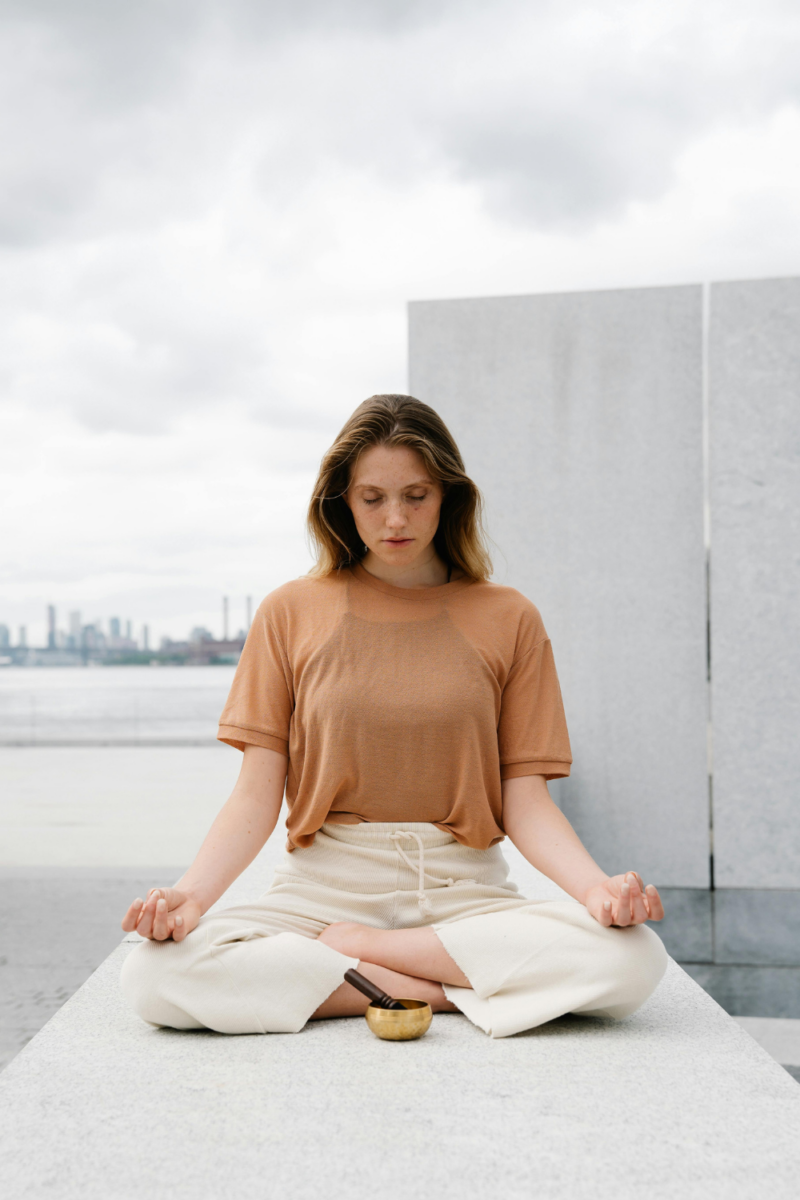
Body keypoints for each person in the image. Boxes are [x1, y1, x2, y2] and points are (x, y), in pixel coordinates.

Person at [120, 394, 667, 1039]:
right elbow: (255, 795)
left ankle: (360, 962)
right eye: (372, 498)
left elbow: (526, 799)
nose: (395, 518)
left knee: (633, 959)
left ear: (448, 497)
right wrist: (193, 897)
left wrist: (597, 890)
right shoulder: (289, 612)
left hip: (464, 892)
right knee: (152, 977)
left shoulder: (509, 617)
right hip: (322, 889)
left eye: (417, 495)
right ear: (342, 502)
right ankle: (443, 991)